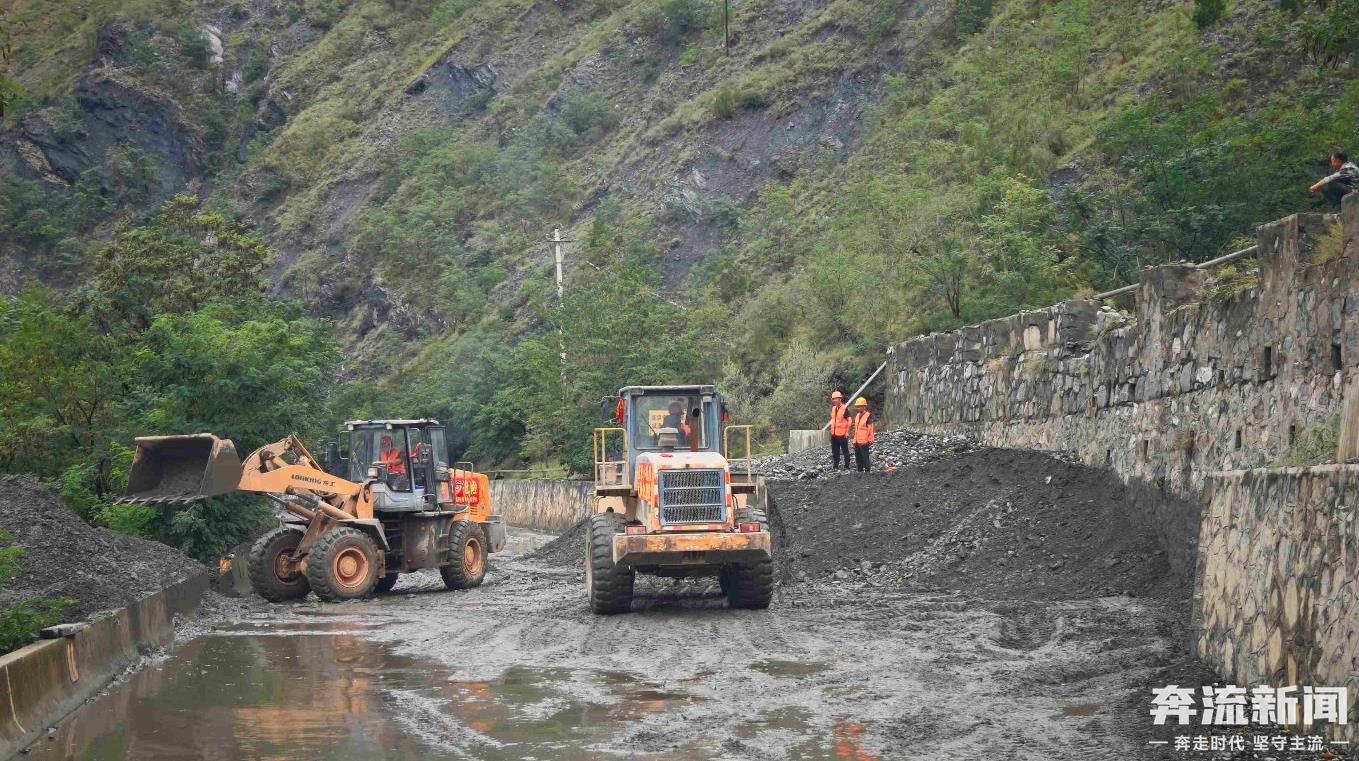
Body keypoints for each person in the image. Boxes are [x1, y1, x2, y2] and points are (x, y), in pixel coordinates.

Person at [828, 391, 851, 470]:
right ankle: (835, 466)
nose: (834, 400)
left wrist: (847, 432)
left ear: (840, 399)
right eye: (833, 399)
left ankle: (847, 466)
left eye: (836, 399)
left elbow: (849, 420)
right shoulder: (834, 408)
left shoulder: (844, 408)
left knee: (845, 451)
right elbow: (833, 420)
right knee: (835, 451)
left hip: (842, 434)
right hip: (834, 434)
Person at [851, 397, 876, 473]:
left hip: (864, 441)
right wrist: (854, 439)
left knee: (865, 457)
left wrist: (868, 440)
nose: (858, 408)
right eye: (857, 406)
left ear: (864, 406)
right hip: (857, 440)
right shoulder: (857, 416)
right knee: (858, 457)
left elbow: (870, 429)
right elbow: (857, 429)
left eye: (860, 406)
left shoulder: (868, 415)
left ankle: (867, 472)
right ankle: (860, 471)